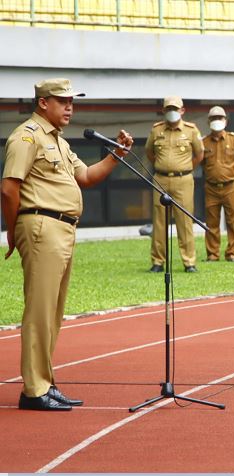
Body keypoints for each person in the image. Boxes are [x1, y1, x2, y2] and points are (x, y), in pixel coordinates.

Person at [1, 78, 133, 410]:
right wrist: (14, 229)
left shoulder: (59, 142)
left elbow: (86, 176)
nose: (70, 107)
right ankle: (34, 390)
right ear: (43, 103)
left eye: (72, 101)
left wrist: (116, 156)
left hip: (62, 229)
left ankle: (44, 382)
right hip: (41, 226)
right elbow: (8, 188)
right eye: (63, 101)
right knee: (40, 312)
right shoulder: (26, 137)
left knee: (53, 313)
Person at [146, 96, 204, 273]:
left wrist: (184, 169)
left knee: (184, 221)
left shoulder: (191, 130)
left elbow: (199, 155)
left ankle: (189, 262)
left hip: (183, 180)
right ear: (163, 111)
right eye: (169, 108)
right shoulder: (156, 130)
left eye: (175, 108)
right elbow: (149, 153)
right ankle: (158, 261)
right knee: (159, 222)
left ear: (182, 111)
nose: (172, 112)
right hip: (160, 179)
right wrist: (163, 166)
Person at [201, 106, 234, 262]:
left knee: (233, 221)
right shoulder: (204, 142)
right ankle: (213, 254)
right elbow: (202, 163)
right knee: (212, 222)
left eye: (220, 118)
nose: (217, 121)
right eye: (213, 118)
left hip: (230, 187)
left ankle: (233, 253)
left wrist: (231, 173)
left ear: (226, 121)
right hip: (211, 188)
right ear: (208, 121)